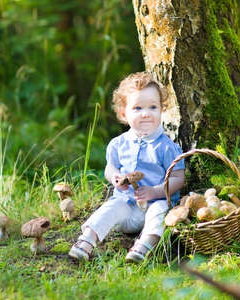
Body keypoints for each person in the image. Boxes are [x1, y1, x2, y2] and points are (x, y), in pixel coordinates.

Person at [69, 72, 185, 263]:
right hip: (126, 206)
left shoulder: (166, 147)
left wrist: (156, 191)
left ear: (162, 110)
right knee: (110, 207)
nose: (146, 113)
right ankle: (87, 241)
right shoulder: (118, 144)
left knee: (161, 211)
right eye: (138, 108)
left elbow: (178, 178)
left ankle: (144, 245)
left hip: (153, 205)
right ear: (124, 113)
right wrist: (115, 177)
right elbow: (110, 168)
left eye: (153, 107)